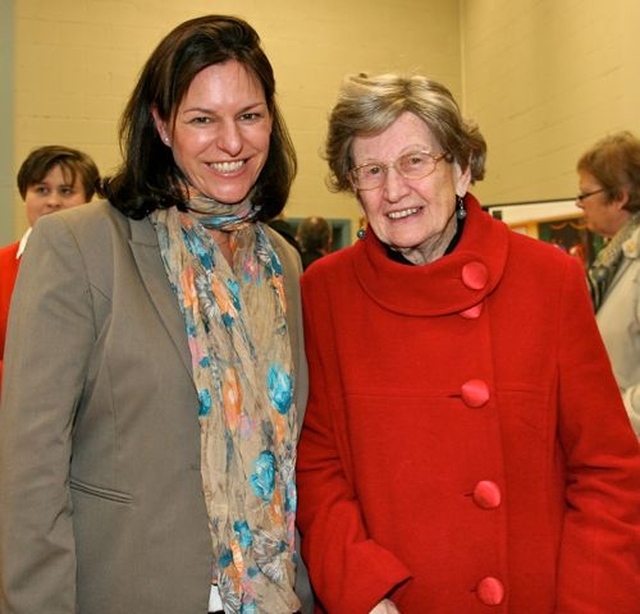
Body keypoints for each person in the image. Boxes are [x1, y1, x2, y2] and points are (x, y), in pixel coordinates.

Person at [0, 15, 312, 614]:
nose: (233, 143)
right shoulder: (80, 247)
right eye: (202, 119)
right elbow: (30, 470)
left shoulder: (282, 264)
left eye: (250, 115)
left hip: (272, 597)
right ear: (162, 125)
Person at [296, 73, 640, 613]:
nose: (392, 190)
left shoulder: (546, 280)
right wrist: (361, 590)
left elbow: (607, 473)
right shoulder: (323, 294)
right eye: (372, 169)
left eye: (414, 161)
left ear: (460, 170)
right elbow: (316, 464)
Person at [0, 144, 101, 396]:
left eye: (66, 191)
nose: (53, 201)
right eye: (41, 190)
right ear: (25, 195)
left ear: (88, 200)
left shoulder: (108, 268)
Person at [576, 131, 640, 436]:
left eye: (585, 194)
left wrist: (615, 417)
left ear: (619, 198)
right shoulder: (612, 261)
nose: (579, 204)